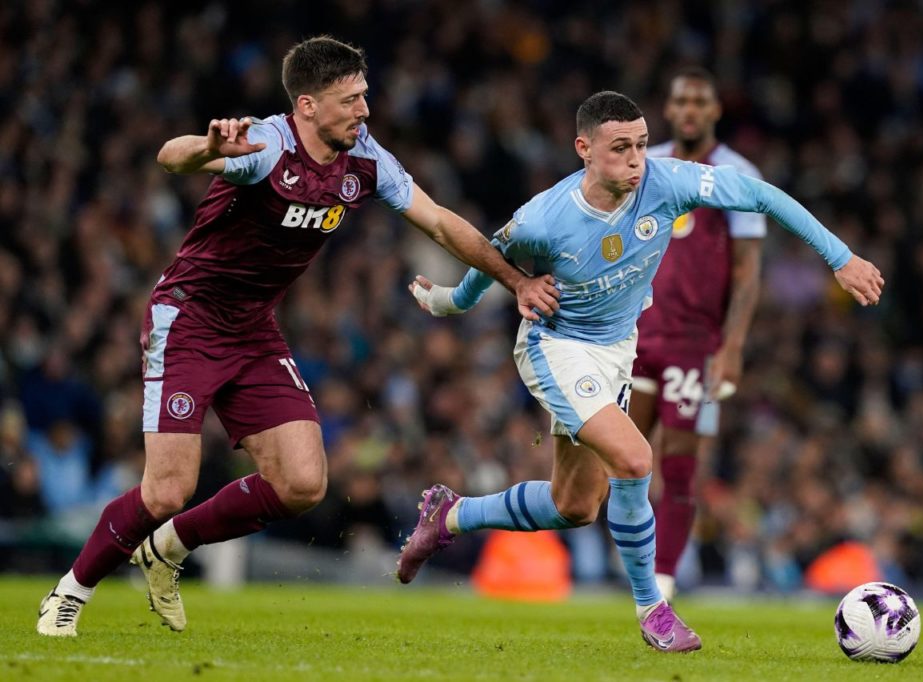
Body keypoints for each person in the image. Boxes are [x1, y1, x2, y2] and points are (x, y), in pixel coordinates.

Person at [36, 36, 560, 638]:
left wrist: (514, 282)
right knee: (167, 488)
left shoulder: (365, 157)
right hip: (189, 320)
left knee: (303, 484)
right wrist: (206, 148)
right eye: (350, 100)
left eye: (365, 96)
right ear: (307, 106)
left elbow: (439, 221)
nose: (365, 111)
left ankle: (168, 549)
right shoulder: (266, 144)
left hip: (254, 330)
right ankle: (70, 593)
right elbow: (170, 156)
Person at [400, 91, 883, 653]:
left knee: (574, 505)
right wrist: (450, 304)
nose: (635, 160)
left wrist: (841, 257)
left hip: (616, 351)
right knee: (635, 459)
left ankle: (450, 514)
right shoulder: (545, 217)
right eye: (620, 148)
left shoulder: (668, 182)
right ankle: (654, 609)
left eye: (642, 145)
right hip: (556, 347)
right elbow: (489, 255)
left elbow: (760, 195)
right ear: (583, 149)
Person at [630, 67, 765, 602]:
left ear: (714, 111)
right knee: (624, 463)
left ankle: (660, 583)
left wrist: (731, 348)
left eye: (699, 102)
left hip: (694, 344)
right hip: (636, 335)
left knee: (681, 465)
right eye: (680, 100)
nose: (689, 110)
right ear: (668, 107)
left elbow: (748, 271)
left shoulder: (737, 173)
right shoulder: (646, 164)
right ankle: (636, 570)